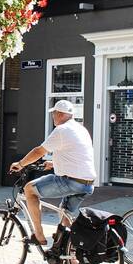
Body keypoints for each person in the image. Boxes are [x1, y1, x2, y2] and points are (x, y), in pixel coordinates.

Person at [9, 99, 96, 247]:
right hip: (87, 184)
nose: (53, 116)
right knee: (65, 214)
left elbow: (39, 151)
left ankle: (39, 235)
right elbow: (76, 156)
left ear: (61, 114)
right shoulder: (81, 129)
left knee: (29, 189)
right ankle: (70, 254)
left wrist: (20, 164)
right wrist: (55, 163)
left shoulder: (61, 130)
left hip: (71, 182)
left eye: (54, 113)